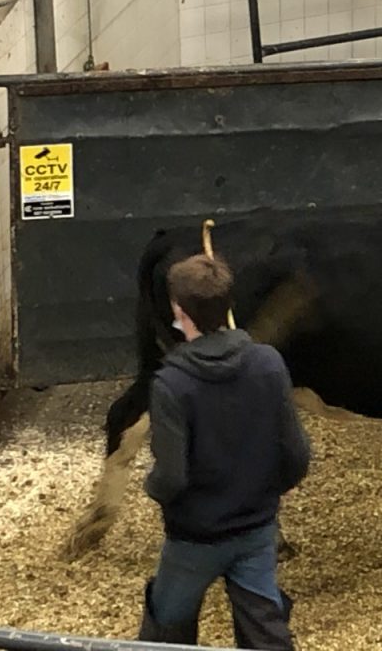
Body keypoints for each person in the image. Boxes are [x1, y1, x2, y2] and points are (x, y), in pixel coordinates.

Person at [137, 253, 312, 650]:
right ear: (229, 305)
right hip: (255, 530)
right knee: (265, 632)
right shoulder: (268, 363)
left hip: (194, 538)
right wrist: (261, 497)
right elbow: (297, 456)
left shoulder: (171, 384)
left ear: (179, 311)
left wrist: (153, 489)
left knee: (166, 632)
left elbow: (171, 476)